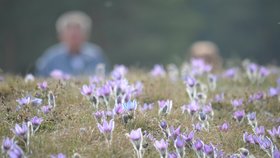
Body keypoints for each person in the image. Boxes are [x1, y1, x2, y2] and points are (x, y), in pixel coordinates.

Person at [36, 11, 108, 76]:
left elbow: (105, 78)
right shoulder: (50, 58)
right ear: (60, 35)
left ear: (86, 35)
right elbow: (40, 79)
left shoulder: (95, 55)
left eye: (78, 29)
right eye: (69, 29)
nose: (74, 33)